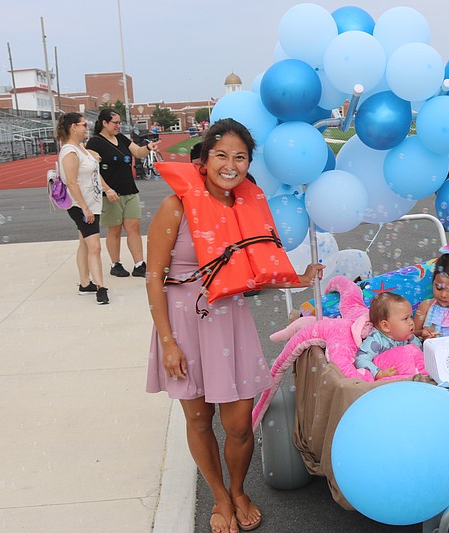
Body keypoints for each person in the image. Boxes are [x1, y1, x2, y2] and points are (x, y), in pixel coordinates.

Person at [145, 118, 323, 533]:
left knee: (240, 422)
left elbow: (251, 266)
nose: (231, 164)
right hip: (184, 323)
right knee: (198, 419)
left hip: (230, 321)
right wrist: (168, 342)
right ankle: (220, 496)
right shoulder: (177, 206)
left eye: (240, 156)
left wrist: (297, 277)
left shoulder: (245, 206)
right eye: (221, 155)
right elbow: (154, 277)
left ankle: (239, 488)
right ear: (203, 160)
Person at [86, 109, 160, 279]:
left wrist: (149, 147)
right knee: (115, 231)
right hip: (111, 194)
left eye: (120, 122)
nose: (119, 126)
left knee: (134, 228)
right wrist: (107, 189)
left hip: (130, 190)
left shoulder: (121, 138)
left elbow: (139, 152)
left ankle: (139, 264)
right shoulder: (95, 143)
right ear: (104, 123)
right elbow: (93, 170)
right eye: (115, 123)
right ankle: (115, 264)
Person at [55, 112, 110, 305]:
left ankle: (85, 283)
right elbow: (71, 182)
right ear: (73, 127)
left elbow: (93, 169)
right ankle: (100, 288)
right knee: (95, 246)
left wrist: (107, 189)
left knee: (84, 243)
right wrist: (85, 209)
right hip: (81, 206)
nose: (87, 127)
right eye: (83, 125)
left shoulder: (81, 148)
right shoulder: (70, 152)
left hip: (92, 204)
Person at [355, 292, 423, 380]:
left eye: (411, 317)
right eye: (405, 318)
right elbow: (361, 359)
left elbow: (420, 355)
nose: (411, 323)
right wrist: (378, 373)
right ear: (386, 326)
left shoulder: (409, 337)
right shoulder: (376, 340)